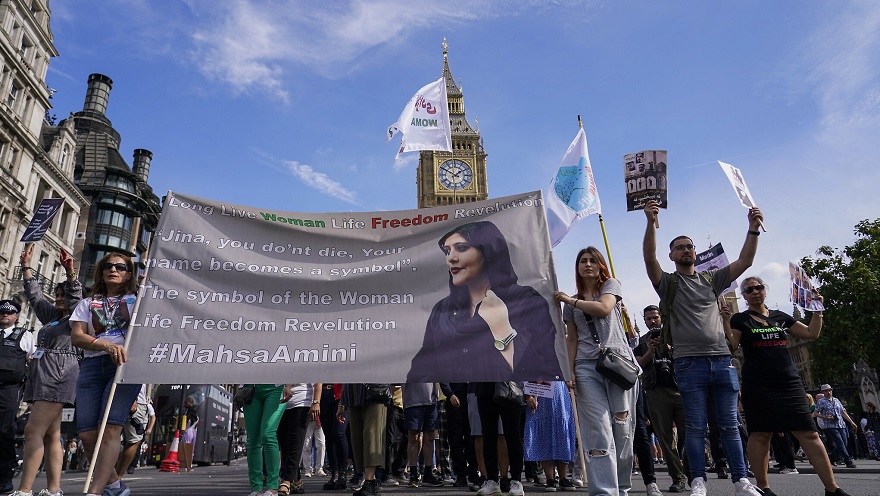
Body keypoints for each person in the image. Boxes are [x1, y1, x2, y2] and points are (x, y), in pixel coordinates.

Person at [641, 200, 764, 496]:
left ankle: (741, 480)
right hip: (688, 363)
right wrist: (650, 222)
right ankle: (698, 480)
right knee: (695, 427)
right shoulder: (667, 283)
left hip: (722, 361)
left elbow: (745, 261)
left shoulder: (713, 279)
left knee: (730, 425)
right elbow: (649, 257)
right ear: (672, 255)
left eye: (689, 246)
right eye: (680, 247)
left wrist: (753, 229)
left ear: (695, 253)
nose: (686, 250)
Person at [723, 276, 851, 496]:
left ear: (765, 290)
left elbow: (811, 333)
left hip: (788, 382)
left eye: (759, 287)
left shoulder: (780, 317)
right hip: (758, 383)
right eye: (749, 289)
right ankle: (764, 488)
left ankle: (832, 489)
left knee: (809, 433)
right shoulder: (740, 319)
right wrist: (725, 321)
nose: (755, 292)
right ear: (743, 295)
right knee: (761, 434)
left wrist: (817, 309)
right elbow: (732, 346)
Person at [407, 221, 562, 383]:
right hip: (458, 399)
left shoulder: (525, 301)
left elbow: (547, 368)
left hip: (511, 398)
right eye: (447, 251)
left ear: (488, 251)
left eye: (461, 248)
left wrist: (502, 329)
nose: (451, 258)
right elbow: (420, 371)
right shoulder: (442, 311)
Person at [554, 246, 638, 496]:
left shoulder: (611, 286)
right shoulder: (571, 304)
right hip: (585, 367)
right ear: (577, 268)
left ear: (601, 265)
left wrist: (569, 300)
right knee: (597, 431)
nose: (588, 264)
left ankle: (621, 486)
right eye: (583, 261)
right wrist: (569, 371)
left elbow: (603, 308)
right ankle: (604, 491)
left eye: (593, 260)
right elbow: (571, 339)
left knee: (622, 429)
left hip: (617, 364)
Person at [8, 246, 80, 496]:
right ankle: (53, 489)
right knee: (51, 435)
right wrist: (26, 267)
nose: (59, 299)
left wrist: (70, 272)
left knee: (32, 431)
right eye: (57, 295)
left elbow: (75, 296)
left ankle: (25, 490)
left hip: (59, 374)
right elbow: (36, 297)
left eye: (63, 295)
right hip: (44, 374)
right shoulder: (53, 317)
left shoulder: (76, 317)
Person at [69, 253, 141, 496]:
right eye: (108, 266)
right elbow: (77, 336)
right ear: (101, 271)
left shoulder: (138, 300)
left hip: (124, 366)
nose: (113, 270)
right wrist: (104, 345)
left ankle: (95, 491)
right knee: (87, 434)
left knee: (110, 427)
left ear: (128, 275)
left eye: (120, 267)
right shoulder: (88, 303)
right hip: (91, 365)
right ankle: (114, 485)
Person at [634, 305, 688, 493]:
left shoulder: (675, 336)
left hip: (679, 388)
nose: (652, 321)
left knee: (689, 433)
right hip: (655, 392)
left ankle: (692, 471)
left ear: (661, 318)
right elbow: (639, 366)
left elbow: (687, 358)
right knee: (666, 439)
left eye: (655, 317)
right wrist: (650, 350)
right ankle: (678, 477)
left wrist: (671, 349)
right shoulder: (641, 342)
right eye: (648, 319)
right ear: (644, 321)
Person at [523, 381, 576, 492]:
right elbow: (527, 373)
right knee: (544, 435)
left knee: (562, 433)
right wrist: (529, 396)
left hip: (560, 391)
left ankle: (563, 477)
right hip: (540, 391)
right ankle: (550, 478)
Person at [337, 384, 390, 496]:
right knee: (357, 438)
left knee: (372, 435)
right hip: (352, 393)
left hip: (376, 390)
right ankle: (372, 482)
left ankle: (369, 481)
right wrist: (341, 404)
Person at [243, 384, 292, 496]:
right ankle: (256, 488)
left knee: (268, 434)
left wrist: (288, 386)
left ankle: (272, 487)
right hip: (250, 388)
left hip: (275, 387)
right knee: (253, 440)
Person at [278, 383, 321, 495]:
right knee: (284, 445)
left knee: (295, 443)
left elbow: (318, 380)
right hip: (280, 402)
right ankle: (297, 481)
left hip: (301, 402)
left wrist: (316, 402)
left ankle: (287, 481)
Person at [402, 382, 444, 487]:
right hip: (412, 401)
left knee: (430, 437)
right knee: (413, 437)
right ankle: (413, 474)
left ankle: (428, 474)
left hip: (431, 401)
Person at [815, 384, 859, 469]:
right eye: (826, 391)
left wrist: (851, 422)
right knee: (840, 443)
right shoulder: (821, 401)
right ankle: (848, 461)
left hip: (841, 424)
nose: (829, 392)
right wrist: (825, 417)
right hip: (830, 425)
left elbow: (843, 412)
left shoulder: (836, 400)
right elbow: (815, 413)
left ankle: (831, 458)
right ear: (823, 392)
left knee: (844, 443)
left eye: (830, 390)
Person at [116, 385, 155, 479]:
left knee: (132, 441)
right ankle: (115, 479)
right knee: (132, 441)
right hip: (132, 399)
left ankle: (115, 477)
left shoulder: (148, 405)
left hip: (132, 400)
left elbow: (153, 416)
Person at [180, 396, 200, 472]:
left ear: (190, 403)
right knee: (191, 449)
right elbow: (196, 422)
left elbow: (186, 421)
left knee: (186, 447)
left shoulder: (188, 412)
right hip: (194, 431)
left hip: (188, 431)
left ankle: (185, 466)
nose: (185, 404)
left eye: (186, 403)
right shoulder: (196, 413)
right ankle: (189, 465)